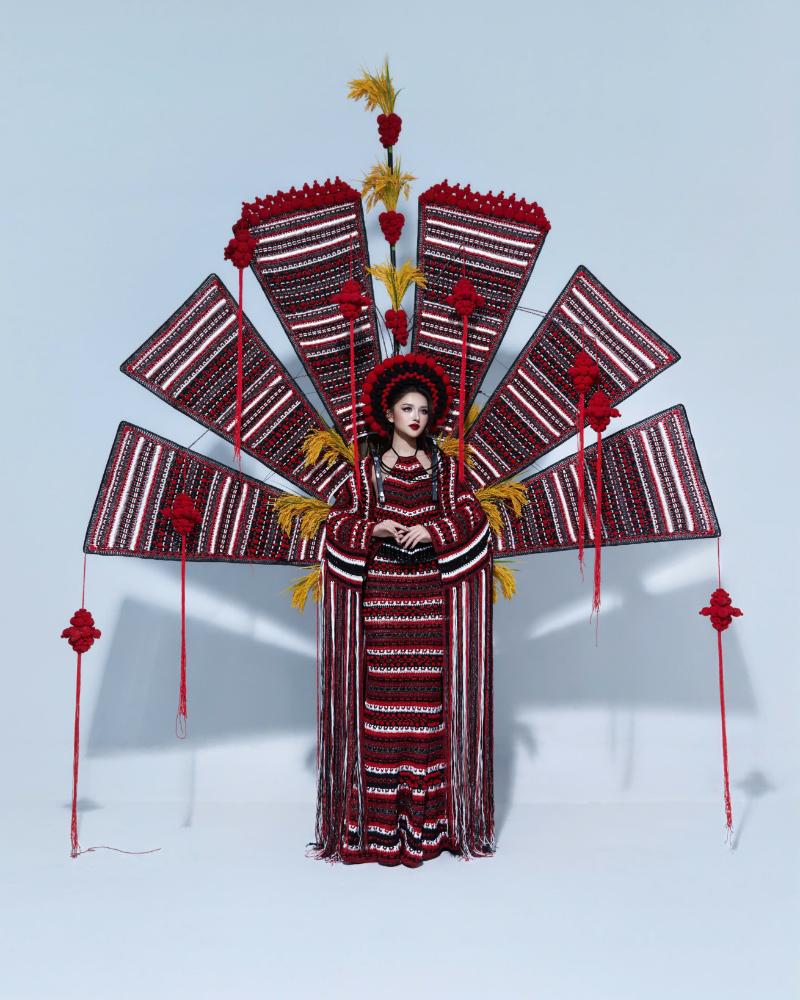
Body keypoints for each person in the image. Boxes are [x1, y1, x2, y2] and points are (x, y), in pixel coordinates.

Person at [307, 352, 496, 867]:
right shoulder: (364, 475)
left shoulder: (447, 474)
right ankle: (379, 830)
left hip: (432, 605)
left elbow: (476, 521)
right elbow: (334, 526)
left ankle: (428, 829)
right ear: (388, 414)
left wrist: (432, 532)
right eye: (407, 408)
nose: (416, 417)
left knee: (428, 714)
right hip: (382, 605)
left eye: (423, 410)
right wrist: (374, 529)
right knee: (381, 712)